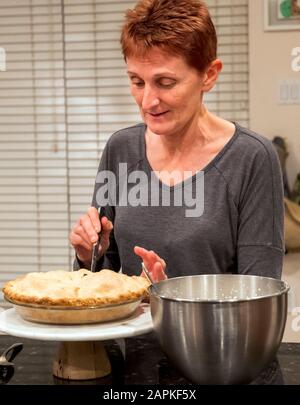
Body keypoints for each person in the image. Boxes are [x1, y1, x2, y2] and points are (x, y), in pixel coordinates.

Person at [69, 0, 284, 384]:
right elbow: (99, 283)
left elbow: (258, 304)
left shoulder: (252, 158)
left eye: (165, 82)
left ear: (209, 74)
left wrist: (171, 297)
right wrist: (89, 255)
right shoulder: (121, 149)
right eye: (137, 81)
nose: (148, 100)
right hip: (137, 372)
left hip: (224, 369)